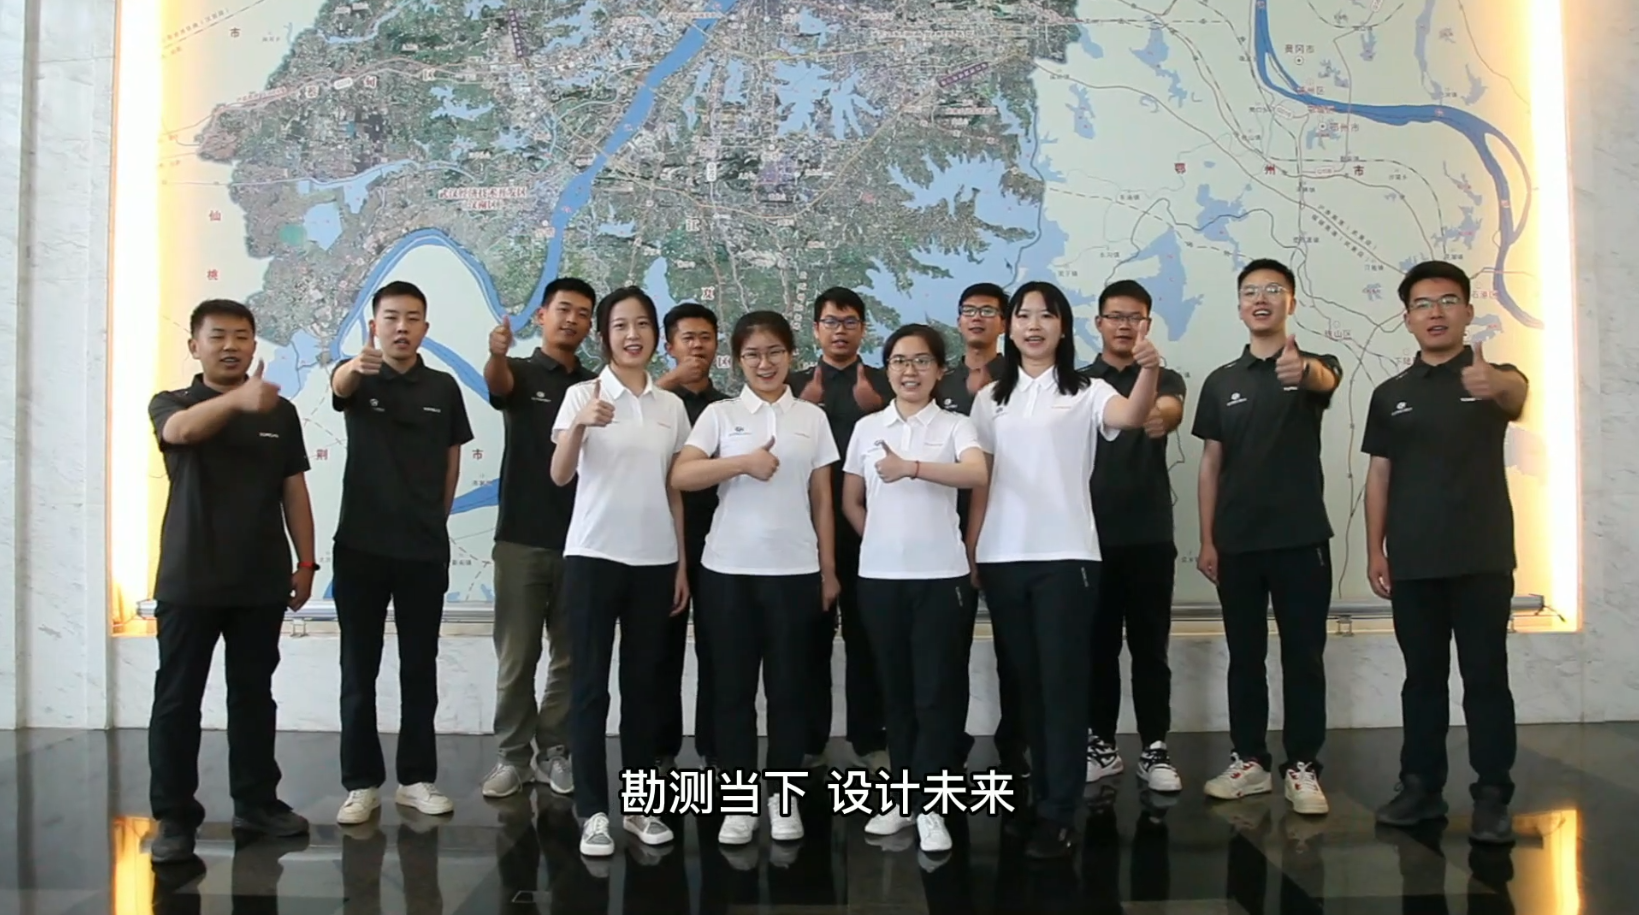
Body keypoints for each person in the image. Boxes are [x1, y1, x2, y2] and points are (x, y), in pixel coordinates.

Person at [968, 281, 1162, 859]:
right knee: (1024, 687)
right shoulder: (990, 399)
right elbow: (982, 478)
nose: (1034, 326)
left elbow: (1132, 416)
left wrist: (1150, 369)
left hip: (1067, 558)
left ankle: (1059, 811)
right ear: (1009, 328)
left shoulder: (1086, 390)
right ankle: (1034, 799)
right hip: (1003, 557)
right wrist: (974, 546)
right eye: (1023, 315)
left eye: (1046, 316)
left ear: (1062, 327)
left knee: (1062, 687)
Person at [145, 299, 316, 865]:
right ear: (194, 345)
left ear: (253, 344)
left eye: (241, 336)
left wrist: (306, 562)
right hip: (189, 581)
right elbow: (179, 432)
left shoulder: (280, 413)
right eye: (217, 335)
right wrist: (238, 401)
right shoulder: (172, 402)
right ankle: (174, 817)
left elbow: (294, 488)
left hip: (259, 580)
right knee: (177, 700)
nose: (230, 346)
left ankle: (257, 803)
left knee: (253, 697)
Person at [1364, 260, 1527, 845]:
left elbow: (1517, 393)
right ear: (1407, 318)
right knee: (1422, 680)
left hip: (1482, 557)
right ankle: (1420, 788)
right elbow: (1379, 475)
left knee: (1486, 679)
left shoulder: (1492, 377)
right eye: (1423, 304)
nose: (1435, 313)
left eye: (1448, 301)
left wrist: (1494, 384)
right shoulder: (1391, 395)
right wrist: (1375, 550)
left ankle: (1492, 796)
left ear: (1467, 311)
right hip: (1414, 561)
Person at [672, 311, 841, 847]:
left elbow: (822, 498)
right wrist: (740, 463)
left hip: (795, 572)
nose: (764, 364)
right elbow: (682, 474)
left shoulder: (811, 418)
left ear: (791, 355)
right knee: (732, 692)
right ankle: (740, 803)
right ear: (737, 360)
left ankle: (783, 798)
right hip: (728, 573)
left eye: (774, 352)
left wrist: (828, 570)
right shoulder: (720, 415)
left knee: (790, 692)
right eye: (752, 355)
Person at [1192, 258, 1343, 817]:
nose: (1261, 299)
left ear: (1290, 303)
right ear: (1239, 306)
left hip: (1302, 539)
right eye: (1251, 291)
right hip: (1237, 542)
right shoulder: (1221, 381)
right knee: (1245, 656)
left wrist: (1303, 371)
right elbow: (1211, 464)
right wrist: (1207, 540)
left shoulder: (1313, 366)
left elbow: (1325, 380)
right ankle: (1249, 761)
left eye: (1273, 290)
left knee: (1304, 656)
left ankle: (1302, 765)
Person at [550, 286, 693, 857]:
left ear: (656, 334)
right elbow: (560, 475)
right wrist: (581, 425)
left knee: (643, 690)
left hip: (654, 561)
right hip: (593, 557)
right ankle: (591, 811)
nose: (632, 335)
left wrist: (681, 562)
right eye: (620, 326)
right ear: (604, 336)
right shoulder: (581, 395)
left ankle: (639, 807)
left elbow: (674, 489)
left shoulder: (670, 407)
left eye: (642, 325)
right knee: (589, 689)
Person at [330, 280, 474, 825]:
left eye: (412, 318)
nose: (401, 327)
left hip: (422, 550)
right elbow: (339, 386)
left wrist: (434, 521)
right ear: (375, 325)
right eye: (391, 317)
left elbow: (452, 461)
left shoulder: (443, 387)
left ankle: (415, 779)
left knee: (419, 667)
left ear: (425, 328)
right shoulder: (358, 375)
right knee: (358, 668)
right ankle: (360, 784)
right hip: (360, 547)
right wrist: (353, 366)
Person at [843, 324, 988, 854]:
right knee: (897, 693)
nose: (910, 371)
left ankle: (932, 805)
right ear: (887, 370)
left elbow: (976, 475)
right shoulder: (867, 428)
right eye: (900, 361)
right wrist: (880, 537)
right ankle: (905, 798)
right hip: (880, 579)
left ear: (939, 370)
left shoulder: (956, 425)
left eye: (921, 361)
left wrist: (913, 468)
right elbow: (851, 500)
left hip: (941, 578)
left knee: (936, 694)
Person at [480, 277, 597, 799]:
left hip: (582, 541)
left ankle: (555, 750)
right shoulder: (522, 373)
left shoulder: (595, 385)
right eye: (564, 309)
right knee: (517, 657)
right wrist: (496, 354)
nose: (572, 319)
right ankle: (512, 757)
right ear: (543, 315)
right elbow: (498, 383)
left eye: (583, 313)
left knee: (569, 658)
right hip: (521, 539)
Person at [1081, 280, 1188, 792]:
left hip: (1149, 536)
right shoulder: (1077, 383)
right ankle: (1101, 744)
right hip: (1089, 538)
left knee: (1150, 650)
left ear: (1147, 324)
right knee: (1097, 650)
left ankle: (1154, 747)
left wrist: (1156, 411)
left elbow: (1167, 411)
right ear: (1098, 323)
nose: (1124, 326)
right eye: (1115, 317)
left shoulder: (1166, 377)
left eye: (1135, 318)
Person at [789, 287, 894, 769]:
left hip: (868, 528)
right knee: (808, 640)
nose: (840, 331)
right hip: (803, 531)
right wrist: (801, 404)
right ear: (816, 329)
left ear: (863, 329)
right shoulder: (791, 386)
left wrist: (878, 409)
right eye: (831, 322)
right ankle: (810, 741)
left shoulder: (886, 385)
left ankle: (869, 740)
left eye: (850, 322)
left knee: (867, 638)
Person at [934, 282, 1026, 776]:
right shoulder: (939, 380)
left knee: (1015, 649)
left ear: (1004, 323)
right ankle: (949, 749)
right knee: (949, 648)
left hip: (1010, 532)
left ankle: (1016, 747)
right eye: (968, 310)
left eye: (988, 311)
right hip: (944, 535)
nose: (976, 318)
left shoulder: (1022, 379)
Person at [654, 302, 728, 771]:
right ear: (669, 346)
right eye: (687, 338)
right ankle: (661, 749)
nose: (697, 346)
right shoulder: (656, 403)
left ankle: (714, 748)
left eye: (705, 337)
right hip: (662, 539)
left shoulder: (726, 408)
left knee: (718, 649)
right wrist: (668, 383)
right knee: (662, 648)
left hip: (720, 542)